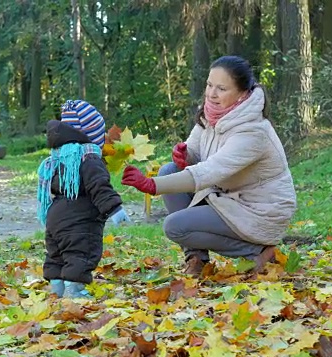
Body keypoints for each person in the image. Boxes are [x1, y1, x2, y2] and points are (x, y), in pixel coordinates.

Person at [121, 55, 297, 276]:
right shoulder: (212, 115)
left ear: (243, 94)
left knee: (174, 226)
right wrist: (186, 157)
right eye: (209, 85)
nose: (212, 94)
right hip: (228, 197)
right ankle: (196, 258)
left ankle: (258, 251)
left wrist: (151, 184)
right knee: (169, 170)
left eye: (221, 88)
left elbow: (210, 171)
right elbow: (195, 154)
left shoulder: (253, 132)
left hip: (260, 209)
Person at [37, 100, 131, 298]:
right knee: (81, 252)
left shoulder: (58, 157)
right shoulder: (89, 158)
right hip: (79, 219)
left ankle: (57, 290)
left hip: (55, 215)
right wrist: (115, 209)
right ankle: (75, 290)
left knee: (57, 255)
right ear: (92, 136)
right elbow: (99, 185)